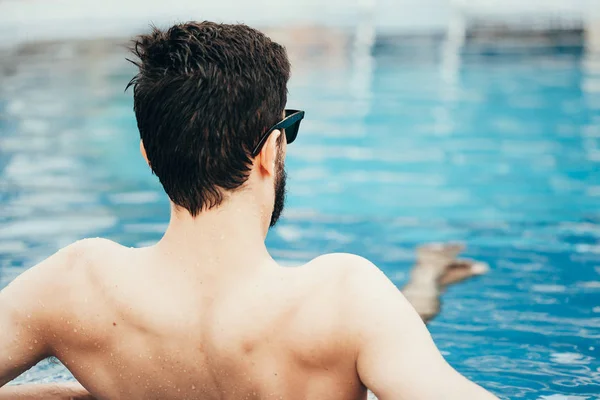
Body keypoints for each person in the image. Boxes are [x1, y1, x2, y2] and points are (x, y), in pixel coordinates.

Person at [0, 21, 498, 400]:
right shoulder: (344, 297)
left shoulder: (73, 288)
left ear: (148, 153)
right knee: (394, 326)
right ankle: (427, 274)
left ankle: (428, 275)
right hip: (353, 335)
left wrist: (60, 394)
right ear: (268, 151)